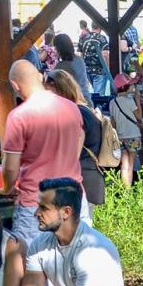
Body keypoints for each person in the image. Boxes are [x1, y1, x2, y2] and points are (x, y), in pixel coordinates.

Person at [0, 61, 85, 240]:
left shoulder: (18, 116)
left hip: (36, 201)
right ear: (40, 77)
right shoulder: (72, 108)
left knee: (31, 258)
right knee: (76, 255)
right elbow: (77, 147)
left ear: (15, 85)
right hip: (73, 194)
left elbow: (10, 168)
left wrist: (7, 188)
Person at [44, 70, 106, 218]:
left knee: (78, 232)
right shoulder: (85, 109)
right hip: (90, 175)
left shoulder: (77, 114)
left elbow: (73, 153)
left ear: (61, 91)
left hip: (83, 176)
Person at [108, 74, 143, 185]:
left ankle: (125, 192)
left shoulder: (112, 103)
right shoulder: (129, 101)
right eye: (131, 85)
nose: (133, 87)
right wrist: (137, 100)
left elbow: (113, 123)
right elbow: (139, 117)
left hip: (121, 136)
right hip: (133, 135)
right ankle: (128, 192)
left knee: (124, 164)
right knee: (131, 164)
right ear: (125, 87)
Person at [79, 20, 111, 105]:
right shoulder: (102, 38)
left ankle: (93, 110)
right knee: (99, 97)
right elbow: (105, 55)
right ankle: (98, 114)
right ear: (100, 28)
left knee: (90, 95)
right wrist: (108, 69)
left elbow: (79, 55)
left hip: (87, 70)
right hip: (99, 71)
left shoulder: (83, 37)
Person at [53, 32, 90, 99]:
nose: (54, 51)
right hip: (86, 99)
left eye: (55, 48)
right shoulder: (79, 59)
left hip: (75, 102)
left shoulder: (62, 66)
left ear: (59, 49)